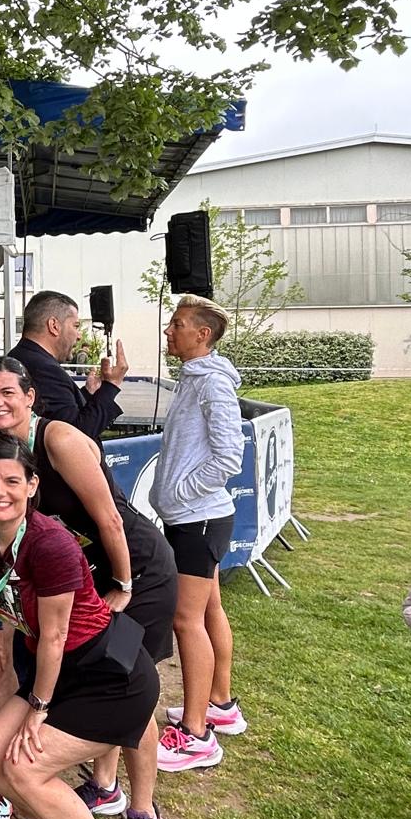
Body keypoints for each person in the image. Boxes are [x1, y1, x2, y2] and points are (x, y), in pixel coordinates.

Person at [0, 355, 174, 819]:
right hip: (85, 568)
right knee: (91, 671)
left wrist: (124, 585)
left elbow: (110, 517)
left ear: (30, 397)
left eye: (7, 392)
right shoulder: (4, 454)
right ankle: (105, 787)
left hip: (133, 565)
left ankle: (144, 816)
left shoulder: (57, 438)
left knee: (127, 683)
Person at [0, 436, 162, 819]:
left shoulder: (50, 542)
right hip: (60, 671)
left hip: (108, 678)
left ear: (33, 485)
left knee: (23, 766)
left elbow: (54, 637)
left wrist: (37, 708)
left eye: (12, 480)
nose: (0, 491)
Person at [151, 295, 246, 771]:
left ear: (202, 334)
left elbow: (229, 456)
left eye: (178, 325)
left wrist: (180, 493)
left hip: (198, 518)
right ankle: (219, 705)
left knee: (185, 620)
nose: (169, 331)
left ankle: (195, 734)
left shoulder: (212, 383)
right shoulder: (195, 378)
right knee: (208, 609)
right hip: (194, 517)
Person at [10, 291, 126, 439]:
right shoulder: (44, 369)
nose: (79, 336)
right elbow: (74, 436)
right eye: (75, 326)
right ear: (54, 326)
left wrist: (88, 393)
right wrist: (111, 386)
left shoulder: (24, 358)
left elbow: (60, 414)